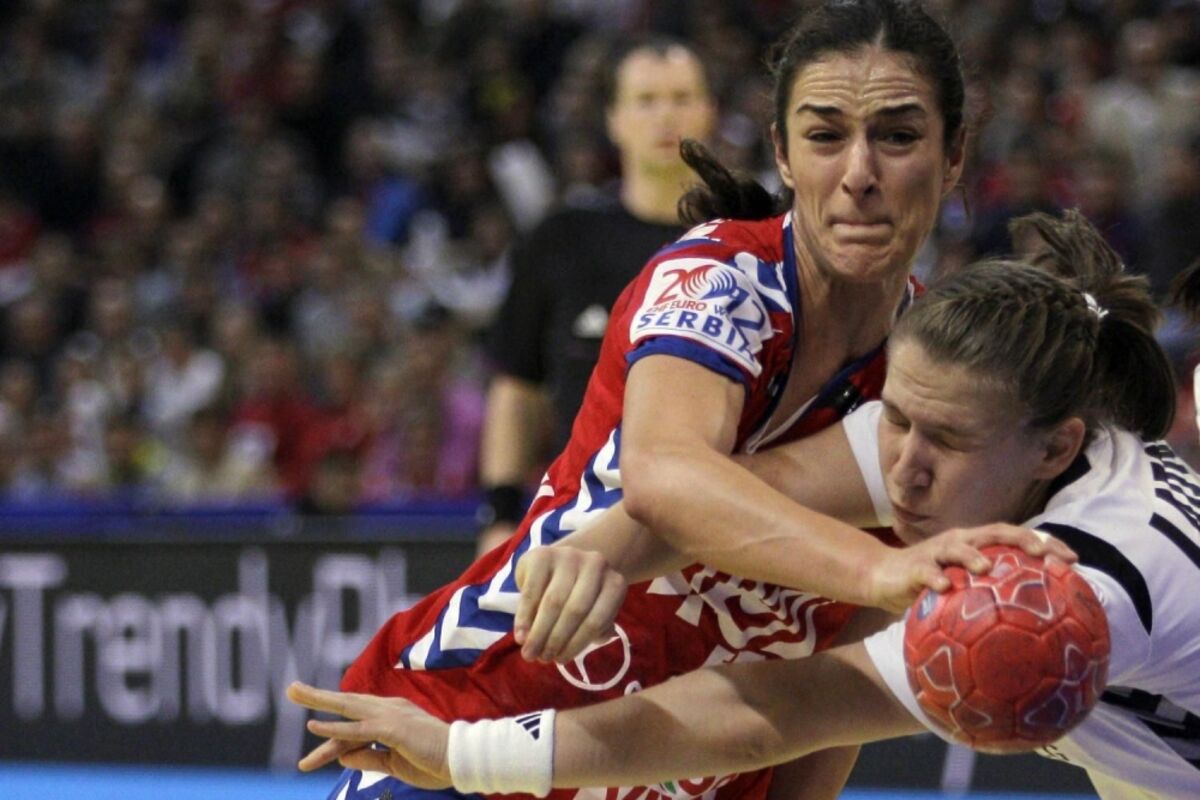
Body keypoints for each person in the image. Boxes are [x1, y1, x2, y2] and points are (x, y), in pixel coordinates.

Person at [317, 2, 1020, 797]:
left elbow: (834, 693)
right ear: (783, 154)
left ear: (953, 156)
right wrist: (883, 571)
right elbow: (667, 480)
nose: (860, 173)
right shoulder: (717, 278)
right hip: (473, 731)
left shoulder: (931, 384)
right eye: (826, 136)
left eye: (897, 137)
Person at [288, 211, 1200, 800]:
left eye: (943, 443)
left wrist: (464, 756)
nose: (905, 471)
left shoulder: (1084, 579)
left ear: (1056, 449)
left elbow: (779, 710)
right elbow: (736, 499)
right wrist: (597, 551)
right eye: (895, 421)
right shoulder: (971, 434)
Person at [477, 37, 717, 555]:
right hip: (582, 529)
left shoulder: (749, 241)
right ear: (614, 119)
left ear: (708, 111)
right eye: (646, 100)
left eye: (681, 98)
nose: (665, 116)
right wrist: (499, 514)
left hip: (716, 528)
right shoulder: (560, 239)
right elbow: (516, 386)